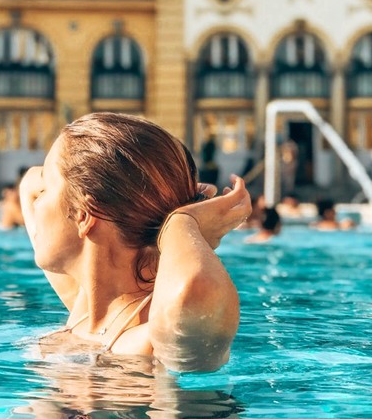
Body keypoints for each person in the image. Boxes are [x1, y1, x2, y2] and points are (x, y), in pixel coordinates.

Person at [19, 112, 251, 372]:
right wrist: (167, 197)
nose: (36, 202)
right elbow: (29, 182)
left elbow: (196, 291)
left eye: (46, 191)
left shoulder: (152, 341)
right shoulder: (87, 312)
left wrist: (183, 221)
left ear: (83, 215)